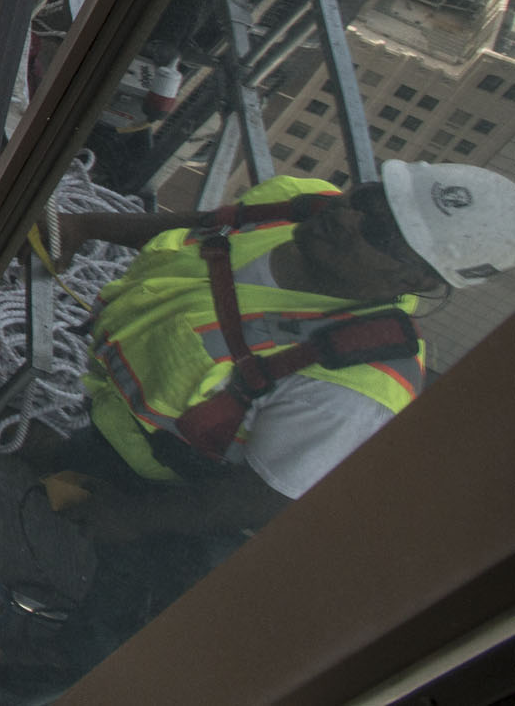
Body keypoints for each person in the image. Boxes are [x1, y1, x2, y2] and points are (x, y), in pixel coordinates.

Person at [50, 159, 515, 537]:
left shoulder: (358, 383)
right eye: (371, 197)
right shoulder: (293, 203)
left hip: (150, 489)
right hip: (93, 406)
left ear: (417, 279)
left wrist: (129, 519)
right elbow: (206, 229)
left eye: (383, 233)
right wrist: (87, 226)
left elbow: (261, 498)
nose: (349, 216)